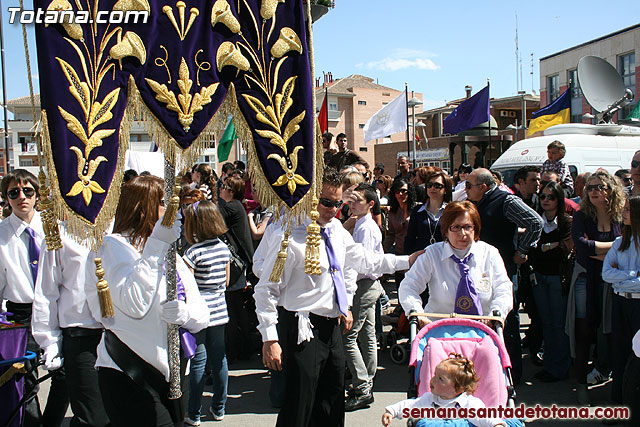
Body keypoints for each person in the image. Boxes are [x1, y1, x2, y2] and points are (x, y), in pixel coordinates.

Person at [255, 168, 420, 427]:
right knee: (300, 405)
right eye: (327, 202)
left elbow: (362, 260)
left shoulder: (336, 230)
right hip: (302, 328)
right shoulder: (287, 235)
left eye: (338, 203)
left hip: (331, 326)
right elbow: (265, 289)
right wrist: (270, 338)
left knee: (331, 402)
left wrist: (407, 261)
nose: (334, 209)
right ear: (309, 199)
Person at [85, 175, 209, 426]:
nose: (174, 212)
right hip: (128, 371)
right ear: (143, 206)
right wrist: (156, 244)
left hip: (171, 373)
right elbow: (134, 303)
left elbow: (203, 314)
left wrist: (185, 315)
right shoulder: (111, 247)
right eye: (165, 203)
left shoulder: (169, 252)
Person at [0, 169, 69, 426]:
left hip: (56, 309)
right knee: (24, 378)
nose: (22, 197)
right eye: (14, 193)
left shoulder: (54, 228)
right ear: (6, 198)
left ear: (37, 195)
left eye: (28, 191)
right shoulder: (1, 234)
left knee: (64, 374)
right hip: (21, 314)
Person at [465, 168, 543, 384]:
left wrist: (522, 251)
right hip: (479, 269)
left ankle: (512, 374)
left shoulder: (505, 200)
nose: (466, 190)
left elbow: (535, 222)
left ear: (483, 187)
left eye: (469, 185)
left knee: (506, 320)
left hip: (504, 270)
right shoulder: (477, 202)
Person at [32, 225, 111, 427]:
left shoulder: (117, 228)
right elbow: (46, 292)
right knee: (93, 418)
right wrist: (49, 341)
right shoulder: (58, 234)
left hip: (118, 334)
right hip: (80, 336)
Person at [399, 201, 513, 327]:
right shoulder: (432, 254)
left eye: (468, 227)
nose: (462, 233)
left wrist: (496, 313)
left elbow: (503, 288)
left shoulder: (490, 254)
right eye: (456, 227)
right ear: (446, 230)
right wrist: (417, 313)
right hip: (439, 331)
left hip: (482, 330)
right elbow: (409, 286)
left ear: (475, 228)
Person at [569, 169, 625, 405]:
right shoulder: (583, 216)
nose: (593, 191)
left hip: (615, 280)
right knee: (583, 331)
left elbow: (628, 248)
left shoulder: (621, 215)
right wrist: (614, 248)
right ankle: (581, 385)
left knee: (612, 331)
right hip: (585, 278)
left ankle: (614, 386)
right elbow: (582, 246)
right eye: (589, 188)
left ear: (610, 190)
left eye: (599, 187)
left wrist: (602, 250)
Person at [182, 200, 231, 424]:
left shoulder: (192, 252)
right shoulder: (223, 247)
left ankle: (193, 413)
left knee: (199, 362)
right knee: (220, 360)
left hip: (199, 313)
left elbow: (187, 287)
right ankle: (219, 408)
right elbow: (227, 280)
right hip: (220, 310)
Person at [343, 183, 384, 412]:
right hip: (368, 284)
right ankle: (366, 380)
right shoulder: (360, 224)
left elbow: (363, 261)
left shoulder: (366, 227)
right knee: (367, 335)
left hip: (365, 284)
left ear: (370, 204)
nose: (353, 203)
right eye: (352, 199)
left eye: (358, 200)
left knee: (349, 337)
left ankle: (363, 385)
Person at [381, 353, 506, 427]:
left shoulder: (468, 404)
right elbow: (409, 405)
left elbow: (484, 416)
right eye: (435, 375)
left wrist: (496, 424)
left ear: (458, 388)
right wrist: (391, 412)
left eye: (440, 379)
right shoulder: (429, 400)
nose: (433, 380)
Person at [528, 182, 573, 382]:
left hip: (557, 278)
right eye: (543, 196)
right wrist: (546, 246)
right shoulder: (536, 221)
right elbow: (531, 248)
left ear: (559, 199)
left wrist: (547, 246)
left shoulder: (566, 222)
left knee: (558, 324)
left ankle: (560, 367)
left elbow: (566, 246)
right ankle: (549, 365)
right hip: (539, 276)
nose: (546, 200)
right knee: (546, 323)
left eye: (551, 197)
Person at [602, 195, 640, 406]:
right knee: (619, 354)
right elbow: (606, 274)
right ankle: (617, 403)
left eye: (628, 210)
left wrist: (622, 276)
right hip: (620, 304)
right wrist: (632, 275)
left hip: (638, 305)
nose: (623, 213)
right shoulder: (619, 243)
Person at [219, 174, 257, 362]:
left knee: (232, 310)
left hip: (237, 265)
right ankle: (244, 348)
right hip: (241, 263)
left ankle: (234, 351)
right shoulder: (234, 206)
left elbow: (212, 220)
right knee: (236, 309)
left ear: (231, 192)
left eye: (224, 187)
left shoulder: (231, 207)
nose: (220, 189)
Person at [405, 169, 452, 253]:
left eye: (437, 186)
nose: (432, 188)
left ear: (445, 189)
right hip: (422, 258)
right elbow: (410, 239)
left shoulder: (451, 211)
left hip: (444, 258)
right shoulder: (417, 211)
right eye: (429, 185)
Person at [384, 178, 416, 288]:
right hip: (399, 253)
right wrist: (382, 250)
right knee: (401, 286)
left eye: (403, 191)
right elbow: (391, 234)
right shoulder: (393, 212)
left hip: (414, 254)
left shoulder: (417, 209)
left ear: (409, 192)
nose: (400, 194)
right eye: (397, 192)